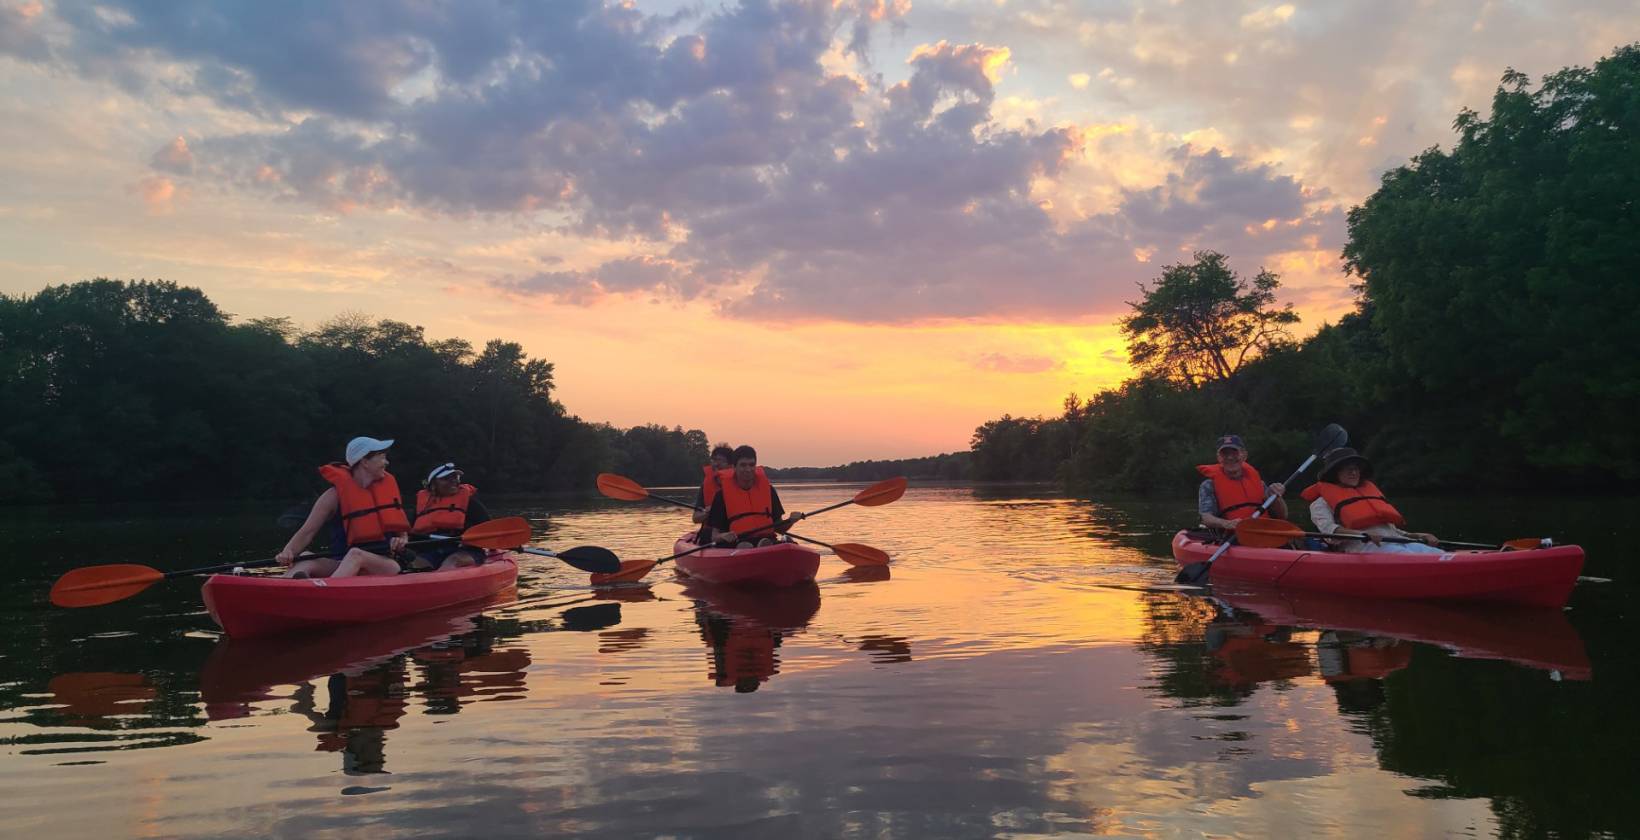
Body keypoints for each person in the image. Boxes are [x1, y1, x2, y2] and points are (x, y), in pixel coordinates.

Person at [277, 437, 410, 578]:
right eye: (382, 457)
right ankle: (282, 587)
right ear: (365, 462)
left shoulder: (387, 492)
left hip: (385, 564)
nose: (386, 462)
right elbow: (307, 531)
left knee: (356, 554)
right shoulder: (332, 497)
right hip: (342, 564)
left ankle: (325, 593)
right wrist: (287, 552)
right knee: (307, 557)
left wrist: (402, 540)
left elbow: (402, 535)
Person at [1301, 447, 1442, 554]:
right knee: (1413, 557)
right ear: (1334, 474)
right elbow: (1329, 531)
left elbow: (1391, 531)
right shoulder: (1320, 503)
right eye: (1347, 469)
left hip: (1397, 543)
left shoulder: (1367, 494)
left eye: (1356, 469)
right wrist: (1361, 535)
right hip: (1362, 548)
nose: (1354, 473)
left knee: (1437, 554)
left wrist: (1417, 535)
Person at [702, 445, 806, 548]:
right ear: (734, 467)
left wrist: (791, 520)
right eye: (743, 465)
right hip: (736, 543)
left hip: (767, 539)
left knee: (780, 542)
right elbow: (714, 536)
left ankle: (764, 547)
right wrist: (723, 536)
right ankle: (759, 549)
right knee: (745, 546)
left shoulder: (769, 491)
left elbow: (779, 528)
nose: (748, 469)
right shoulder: (721, 496)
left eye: (751, 465)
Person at [408, 463, 492, 570]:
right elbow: (412, 536)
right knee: (415, 565)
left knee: (452, 561)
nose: (453, 481)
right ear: (433, 484)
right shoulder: (422, 507)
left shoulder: (470, 503)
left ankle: (439, 580)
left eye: (455, 477)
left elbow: (487, 529)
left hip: (466, 551)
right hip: (433, 551)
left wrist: (472, 541)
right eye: (445, 478)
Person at [1197, 434, 1287, 531]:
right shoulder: (1209, 485)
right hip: (1233, 536)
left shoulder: (1260, 484)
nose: (1230, 457)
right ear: (1219, 458)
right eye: (1225, 454)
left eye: (1235, 453)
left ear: (1244, 455)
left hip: (1263, 532)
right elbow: (1206, 518)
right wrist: (1226, 523)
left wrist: (1276, 497)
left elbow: (1282, 516)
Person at [692, 445, 736, 525]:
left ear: (731, 465)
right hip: (711, 533)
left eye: (721, 461)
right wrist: (708, 512)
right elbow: (695, 518)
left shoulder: (739, 483)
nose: (716, 464)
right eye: (714, 460)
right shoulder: (705, 485)